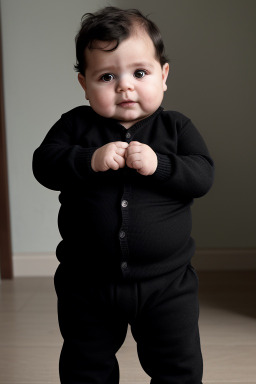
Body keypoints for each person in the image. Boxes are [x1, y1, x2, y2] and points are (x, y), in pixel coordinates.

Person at [33, 6, 214, 384]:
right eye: (107, 76)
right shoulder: (74, 125)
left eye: (140, 73)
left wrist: (161, 165)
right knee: (86, 364)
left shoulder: (176, 127)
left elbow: (202, 175)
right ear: (84, 83)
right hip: (87, 282)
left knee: (178, 365)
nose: (125, 86)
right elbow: (44, 166)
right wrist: (88, 159)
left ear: (163, 76)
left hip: (167, 283)